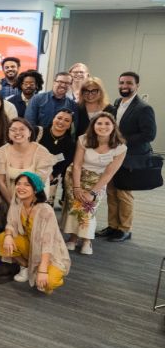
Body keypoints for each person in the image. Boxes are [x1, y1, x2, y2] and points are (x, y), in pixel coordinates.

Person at [102, 71, 156, 242]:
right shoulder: (118, 103)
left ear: (137, 86)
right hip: (112, 156)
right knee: (111, 190)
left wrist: (122, 141)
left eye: (129, 83)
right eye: (122, 83)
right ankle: (113, 226)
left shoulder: (144, 108)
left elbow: (149, 134)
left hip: (129, 157)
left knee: (123, 193)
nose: (124, 86)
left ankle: (125, 229)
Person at [63, 113, 126, 255]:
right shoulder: (84, 139)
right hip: (76, 176)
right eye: (99, 123)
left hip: (98, 181)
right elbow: (77, 165)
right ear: (93, 126)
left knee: (88, 209)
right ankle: (73, 238)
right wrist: (77, 187)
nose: (103, 127)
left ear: (113, 126)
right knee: (74, 207)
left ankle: (86, 240)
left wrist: (93, 192)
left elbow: (109, 173)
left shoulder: (120, 148)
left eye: (107, 123)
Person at [0, 172, 70, 294]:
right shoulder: (17, 203)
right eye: (18, 184)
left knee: (48, 283)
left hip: (50, 253)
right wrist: (9, 235)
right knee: (3, 237)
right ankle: (26, 266)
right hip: (30, 246)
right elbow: (10, 223)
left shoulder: (45, 211)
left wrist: (42, 270)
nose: (21, 187)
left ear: (36, 189)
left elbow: (47, 243)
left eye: (26, 185)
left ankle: (40, 270)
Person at [0, 118, 55, 204]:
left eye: (22, 129)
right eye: (13, 130)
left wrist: (28, 205)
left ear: (29, 132)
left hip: (35, 195)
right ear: (8, 134)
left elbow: (39, 182)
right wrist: (11, 204)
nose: (17, 132)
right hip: (9, 196)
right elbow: (1, 182)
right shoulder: (0, 153)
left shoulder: (42, 153)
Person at [36, 109, 76, 204]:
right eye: (59, 118)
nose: (61, 122)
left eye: (67, 120)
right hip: (29, 173)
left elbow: (64, 163)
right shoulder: (38, 132)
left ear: (70, 125)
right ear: (53, 118)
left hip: (50, 179)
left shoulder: (70, 144)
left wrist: (52, 175)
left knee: (44, 207)